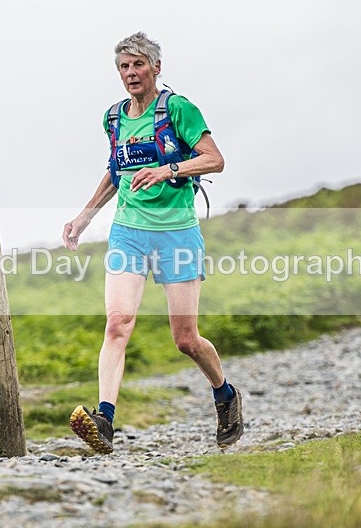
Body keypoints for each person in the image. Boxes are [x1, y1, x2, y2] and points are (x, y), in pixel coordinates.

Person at [63, 32, 244, 454]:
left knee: (185, 339)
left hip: (176, 232)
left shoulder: (178, 109)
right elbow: (116, 171)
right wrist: (85, 215)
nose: (131, 73)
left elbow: (215, 159)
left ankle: (225, 395)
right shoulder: (114, 118)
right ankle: (104, 419)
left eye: (138, 65)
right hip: (128, 231)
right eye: (124, 67)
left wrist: (168, 170)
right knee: (117, 323)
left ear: (156, 67)